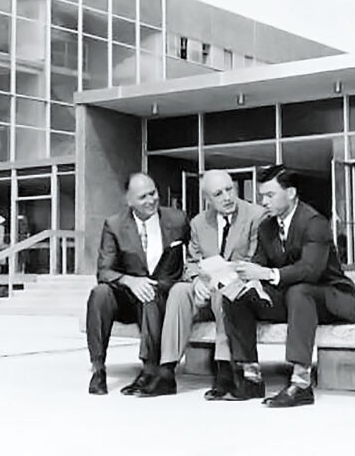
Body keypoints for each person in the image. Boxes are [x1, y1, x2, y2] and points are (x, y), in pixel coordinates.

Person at [223, 165, 355, 408]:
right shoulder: (267, 226)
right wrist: (244, 272)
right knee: (236, 295)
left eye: (270, 195)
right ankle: (250, 377)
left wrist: (267, 274)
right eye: (261, 196)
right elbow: (260, 262)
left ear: (291, 193)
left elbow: (311, 270)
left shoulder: (314, 222)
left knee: (300, 291)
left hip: (332, 297)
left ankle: (301, 383)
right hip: (291, 298)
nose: (263, 201)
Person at [142, 170, 266, 399]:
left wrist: (223, 275)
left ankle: (224, 369)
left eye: (230, 189)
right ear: (207, 199)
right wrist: (197, 279)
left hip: (240, 290)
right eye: (218, 194)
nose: (227, 197)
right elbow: (191, 262)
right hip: (207, 287)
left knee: (222, 291)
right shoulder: (199, 222)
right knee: (179, 290)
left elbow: (257, 259)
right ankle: (167, 370)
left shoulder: (256, 216)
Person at [86, 173, 189, 395]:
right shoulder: (114, 225)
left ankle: (150, 371)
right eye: (143, 197)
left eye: (153, 193)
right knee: (99, 294)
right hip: (125, 295)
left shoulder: (178, 220)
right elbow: (104, 271)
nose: (151, 200)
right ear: (129, 200)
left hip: (161, 294)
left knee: (149, 293)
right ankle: (98, 369)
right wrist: (130, 281)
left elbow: (193, 255)